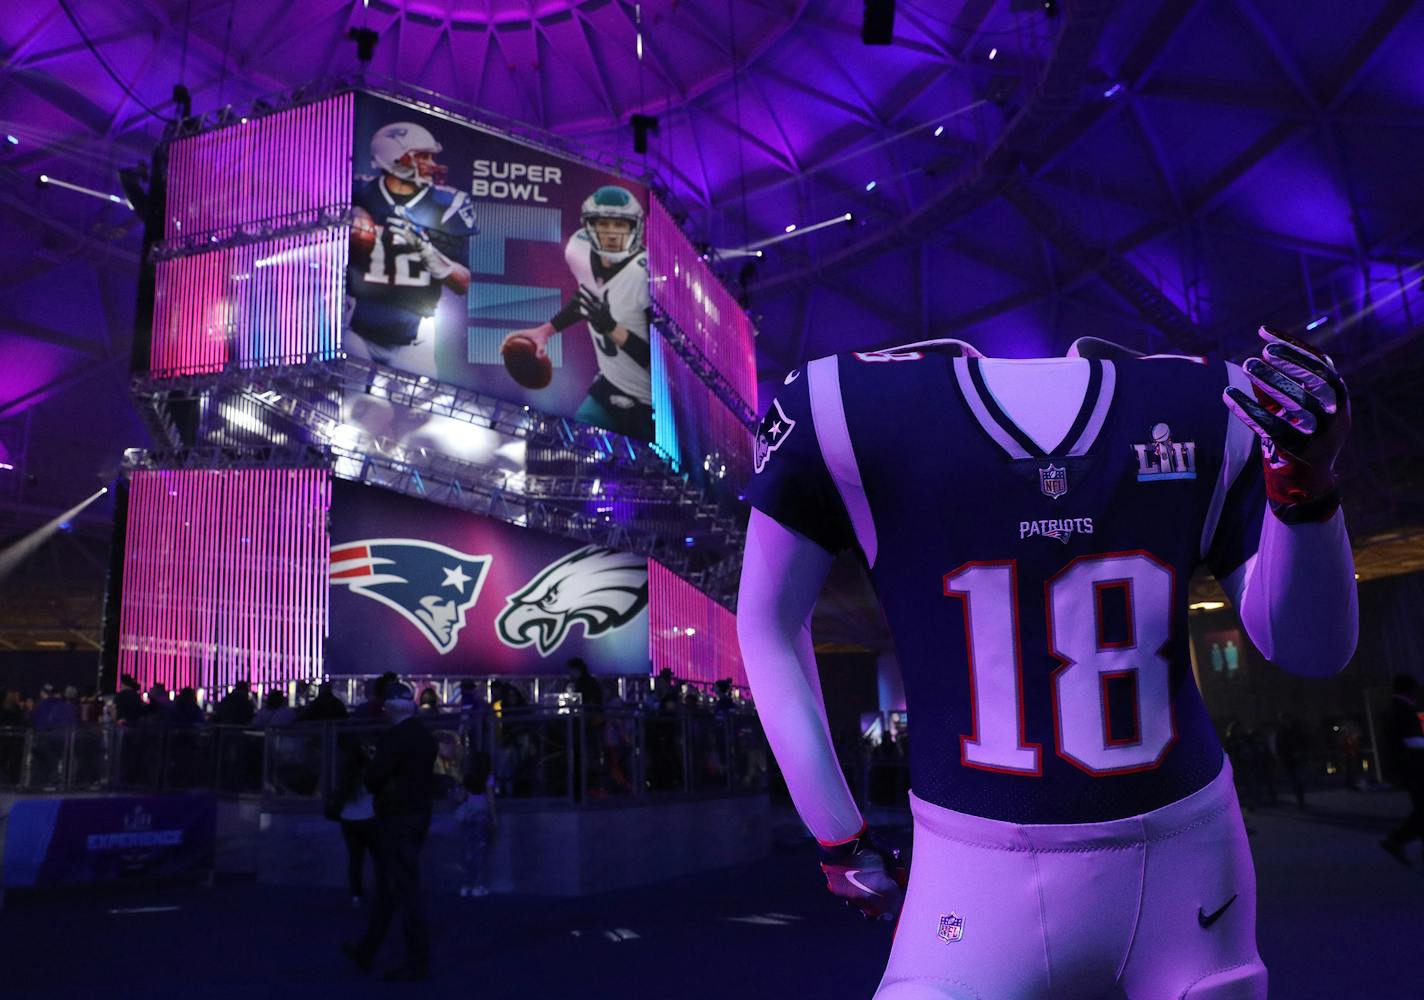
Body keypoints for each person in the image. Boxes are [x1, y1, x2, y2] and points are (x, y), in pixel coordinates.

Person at [738, 330, 1358, 998]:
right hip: (1032, 863)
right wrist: (1307, 492)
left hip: (1166, 855)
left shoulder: (843, 402)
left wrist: (840, 840)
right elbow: (1310, 651)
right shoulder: (1204, 399)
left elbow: (1310, 647)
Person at [501, 186, 653, 438]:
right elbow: (588, 296)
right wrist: (547, 329)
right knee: (578, 441)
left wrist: (613, 329)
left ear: (633, 228)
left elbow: (660, 363)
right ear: (590, 226)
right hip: (611, 384)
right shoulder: (579, 250)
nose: (612, 233)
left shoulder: (644, 276)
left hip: (651, 403)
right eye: (604, 224)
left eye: (620, 225)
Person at [344, 121, 475, 371]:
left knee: (418, 410)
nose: (430, 163)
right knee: (355, 405)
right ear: (393, 156)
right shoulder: (357, 191)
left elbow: (462, 282)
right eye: (421, 156)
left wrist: (426, 250)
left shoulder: (446, 205)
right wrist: (355, 211)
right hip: (355, 329)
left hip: (415, 337)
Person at [343, 682, 438, 981]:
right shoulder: (424, 737)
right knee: (390, 886)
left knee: (404, 889)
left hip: (396, 817)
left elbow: (374, 779)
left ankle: (416, 961)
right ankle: (368, 949)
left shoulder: (394, 738)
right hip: (418, 814)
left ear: (388, 708)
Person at [1379, 674, 1424, 865]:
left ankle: (1397, 840)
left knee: (1422, 809)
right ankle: (1396, 839)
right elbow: (1413, 740)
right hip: (1415, 767)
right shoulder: (1403, 710)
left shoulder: (1393, 709)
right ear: (1409, 689)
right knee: (1423, 810)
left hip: (1406, 766)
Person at [334, 734, 379, 907]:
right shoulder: (368, 768)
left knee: (355, 859)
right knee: (378, 857)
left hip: (348, 818)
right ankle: (381, 889)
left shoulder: (344, 772)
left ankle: (356, 895)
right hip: (369, 816)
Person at [454, 751, 497, 897]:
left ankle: (465, 885)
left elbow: (461, 798)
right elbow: (490, 799)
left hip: (468, 812)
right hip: (482, 811)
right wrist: (494, 818)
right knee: (480, 850)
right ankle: (478, 886)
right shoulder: (488, 777)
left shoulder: (467, 777)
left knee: (468, 851)